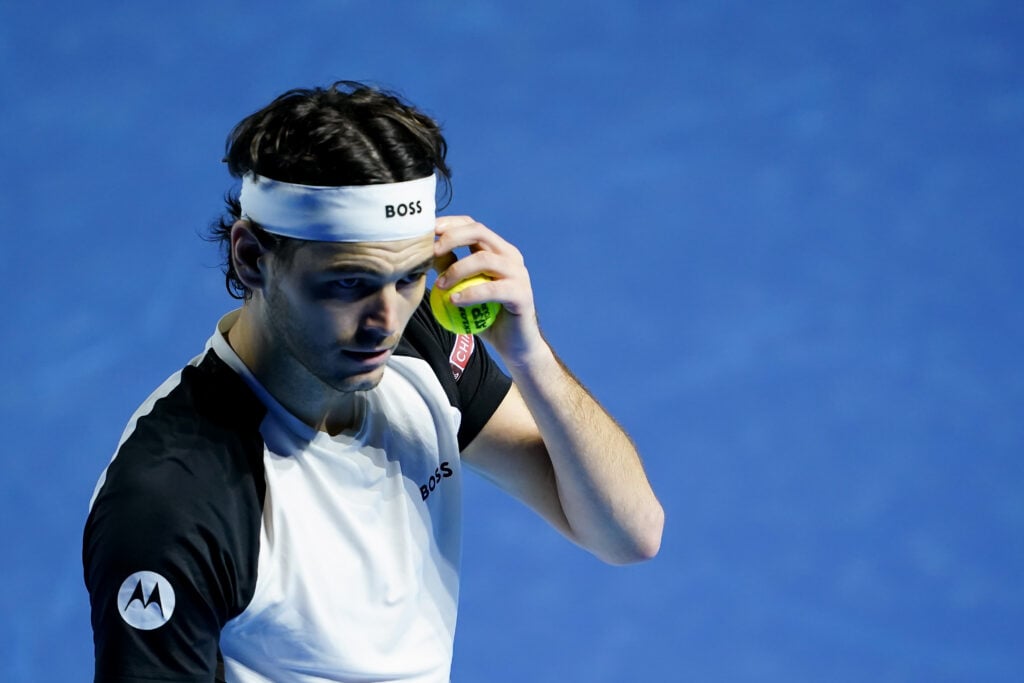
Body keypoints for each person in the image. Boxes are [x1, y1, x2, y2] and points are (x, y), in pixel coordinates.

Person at [83, 81, 663, 683]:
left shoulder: (421, 346)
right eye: (346, 283)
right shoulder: (175, 503)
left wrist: (530, 356)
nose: (385, 322)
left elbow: (630, 533)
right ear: (252, 257)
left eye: (410, 277)